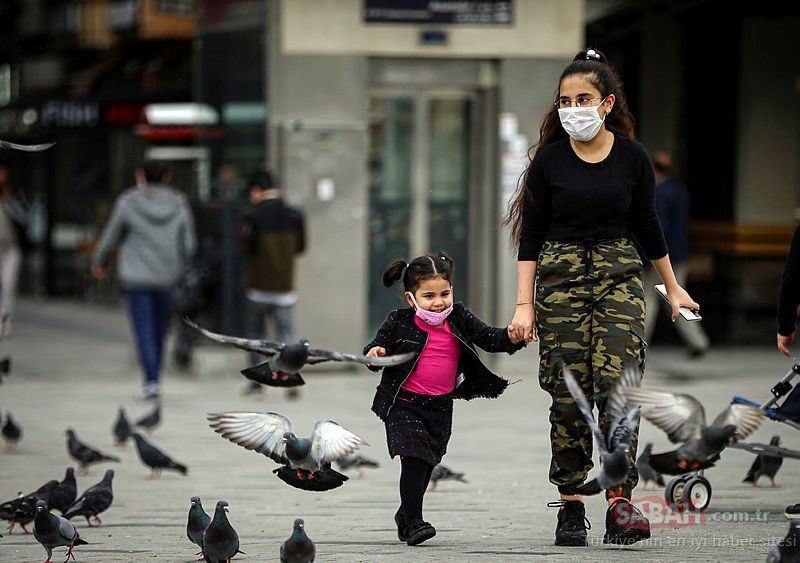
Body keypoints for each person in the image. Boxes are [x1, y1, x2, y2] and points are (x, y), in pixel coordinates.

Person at [505, 48, 701, 546]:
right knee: (568, 395)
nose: (573, 108)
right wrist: (524, 305)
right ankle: (571, 504)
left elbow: (647, 224)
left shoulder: (633, 157)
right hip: (560, 286)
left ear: (607, 103)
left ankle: (619, 502)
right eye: (565, 100)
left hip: (619, 282)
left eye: (583, 99)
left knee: (619, 392)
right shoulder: (549, 161)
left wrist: (672, 285)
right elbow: (532, 235)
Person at [364, 252, 525, 546]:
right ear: (411, 298)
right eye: (429, 296)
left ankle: (405, 514)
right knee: (413, 459)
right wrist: (376, 353)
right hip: (404, 404)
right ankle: (415, 522)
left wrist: (512, 337)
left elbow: (489, 338)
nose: (439, 302)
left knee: (428, 461)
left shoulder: (458, 317)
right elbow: (377, 347)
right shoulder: (398, 321)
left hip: (440, 407)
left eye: (445, 294)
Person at [91, 161, 196, 400]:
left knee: (143, 328)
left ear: (141, 176)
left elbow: (111, 234)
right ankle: (155, 376)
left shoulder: (128, 202)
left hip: (135, 277)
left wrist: (100, 261)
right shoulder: (179, 203)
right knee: (160, 329)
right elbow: (189, 244)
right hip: (168, 276)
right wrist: (182, 265)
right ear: (167, 177)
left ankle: (151, 380)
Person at [240, 170, 305, 396]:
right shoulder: (295, 215)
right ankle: (290, 379)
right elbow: (301, 247)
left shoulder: (252, 216)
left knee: (255, 336)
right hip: (284, 288)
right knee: (286, 335)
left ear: (256, 190)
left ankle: (256, 384)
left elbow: (244, 247)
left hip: (257, 288)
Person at [642, 151, 710, 356]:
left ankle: (640, 341)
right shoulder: (679, 191)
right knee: (678, 295)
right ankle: (698, 341)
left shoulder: (659, 193)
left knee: (648, 298)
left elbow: (658, 227)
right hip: (680, 253)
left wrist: (651, 256)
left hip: (662, 255)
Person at [0, 165, 28, 337]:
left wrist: (7, 198)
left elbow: (24, 218)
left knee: (9, 284)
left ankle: (6, 320)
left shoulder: (13, 198)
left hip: (10, 249)